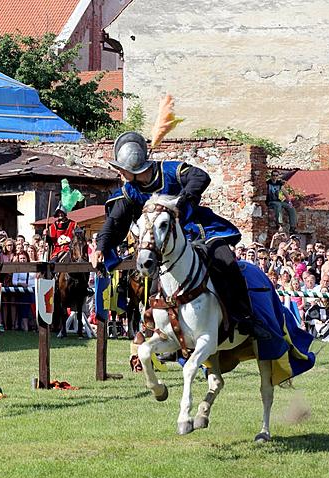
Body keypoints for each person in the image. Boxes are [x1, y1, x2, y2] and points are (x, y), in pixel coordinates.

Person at [91, 131, 270, 340]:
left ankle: (246, 318)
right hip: (163, 241)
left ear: (133, 169)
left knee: (225, 260)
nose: (120, 173)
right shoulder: (131, 191)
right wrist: (101, 248)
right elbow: (113, 221)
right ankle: (162, 331)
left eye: (122, 169)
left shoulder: (170, 170)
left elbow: (200, 176)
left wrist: (181, 202)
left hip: (198, 229)